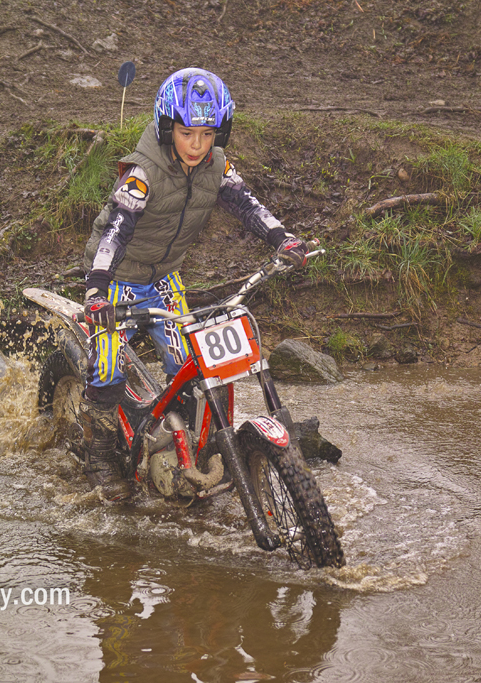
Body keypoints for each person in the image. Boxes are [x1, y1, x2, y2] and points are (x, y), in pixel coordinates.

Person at [79, 67, 309, 501]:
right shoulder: (141, 175)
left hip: (165, 277)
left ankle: (184, 450)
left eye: (207, 134)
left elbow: (248, 204)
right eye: (187, 133)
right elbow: (114, 231)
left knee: (191, 364)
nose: (198, 144)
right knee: (107, 368)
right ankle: (100, 455)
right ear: (167, 128)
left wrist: (284, 239)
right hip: (116, 278)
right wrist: (96, 290)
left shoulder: (217, 166)